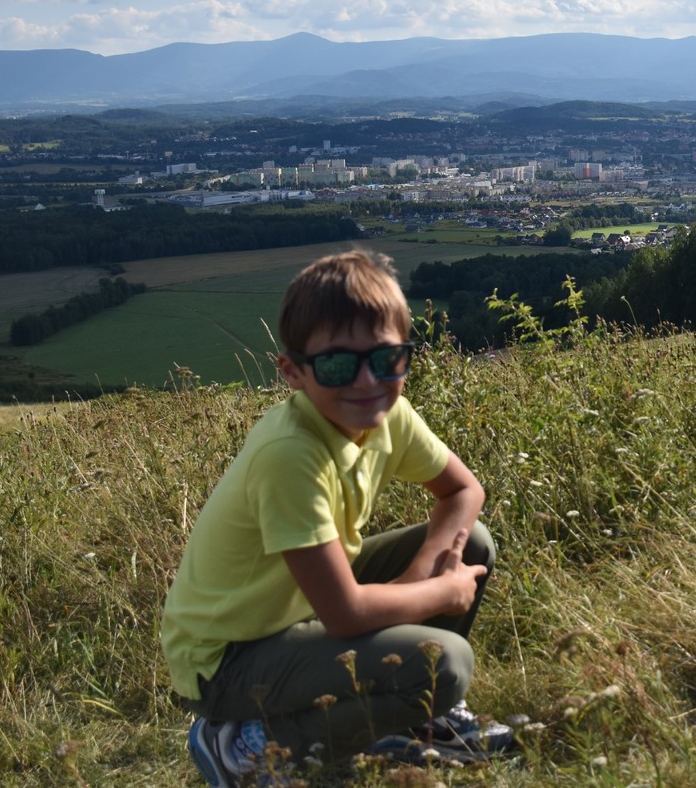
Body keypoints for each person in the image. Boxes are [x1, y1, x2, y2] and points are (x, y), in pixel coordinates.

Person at [161, 250, 513, 786]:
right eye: (336, 364)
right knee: (447, 663)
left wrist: (420, 574)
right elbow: (345, 614)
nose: (367, 380)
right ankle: (245, 747)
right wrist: (438, 593)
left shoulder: (388, 414)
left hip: (299, 612)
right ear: (293, 373)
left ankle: (414, 718)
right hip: (226, 660)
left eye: (387, 358)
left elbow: (464, 490)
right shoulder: (290, 454)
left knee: (474, 543)